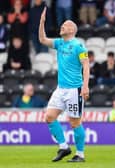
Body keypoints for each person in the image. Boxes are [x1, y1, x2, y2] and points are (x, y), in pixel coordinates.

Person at [39, 7, 89, 162]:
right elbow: (42, 40)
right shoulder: (59, 43)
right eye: (62, 25)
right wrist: (42, 22)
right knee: (49, 117)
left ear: (73, 30)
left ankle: (80, 155)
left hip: (75, 90)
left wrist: (85, 86)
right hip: (61, 89)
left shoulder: (79, 46)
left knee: (75, 122)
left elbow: (86, 65)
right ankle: (64, 147)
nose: (62, 26)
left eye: (65, 25)